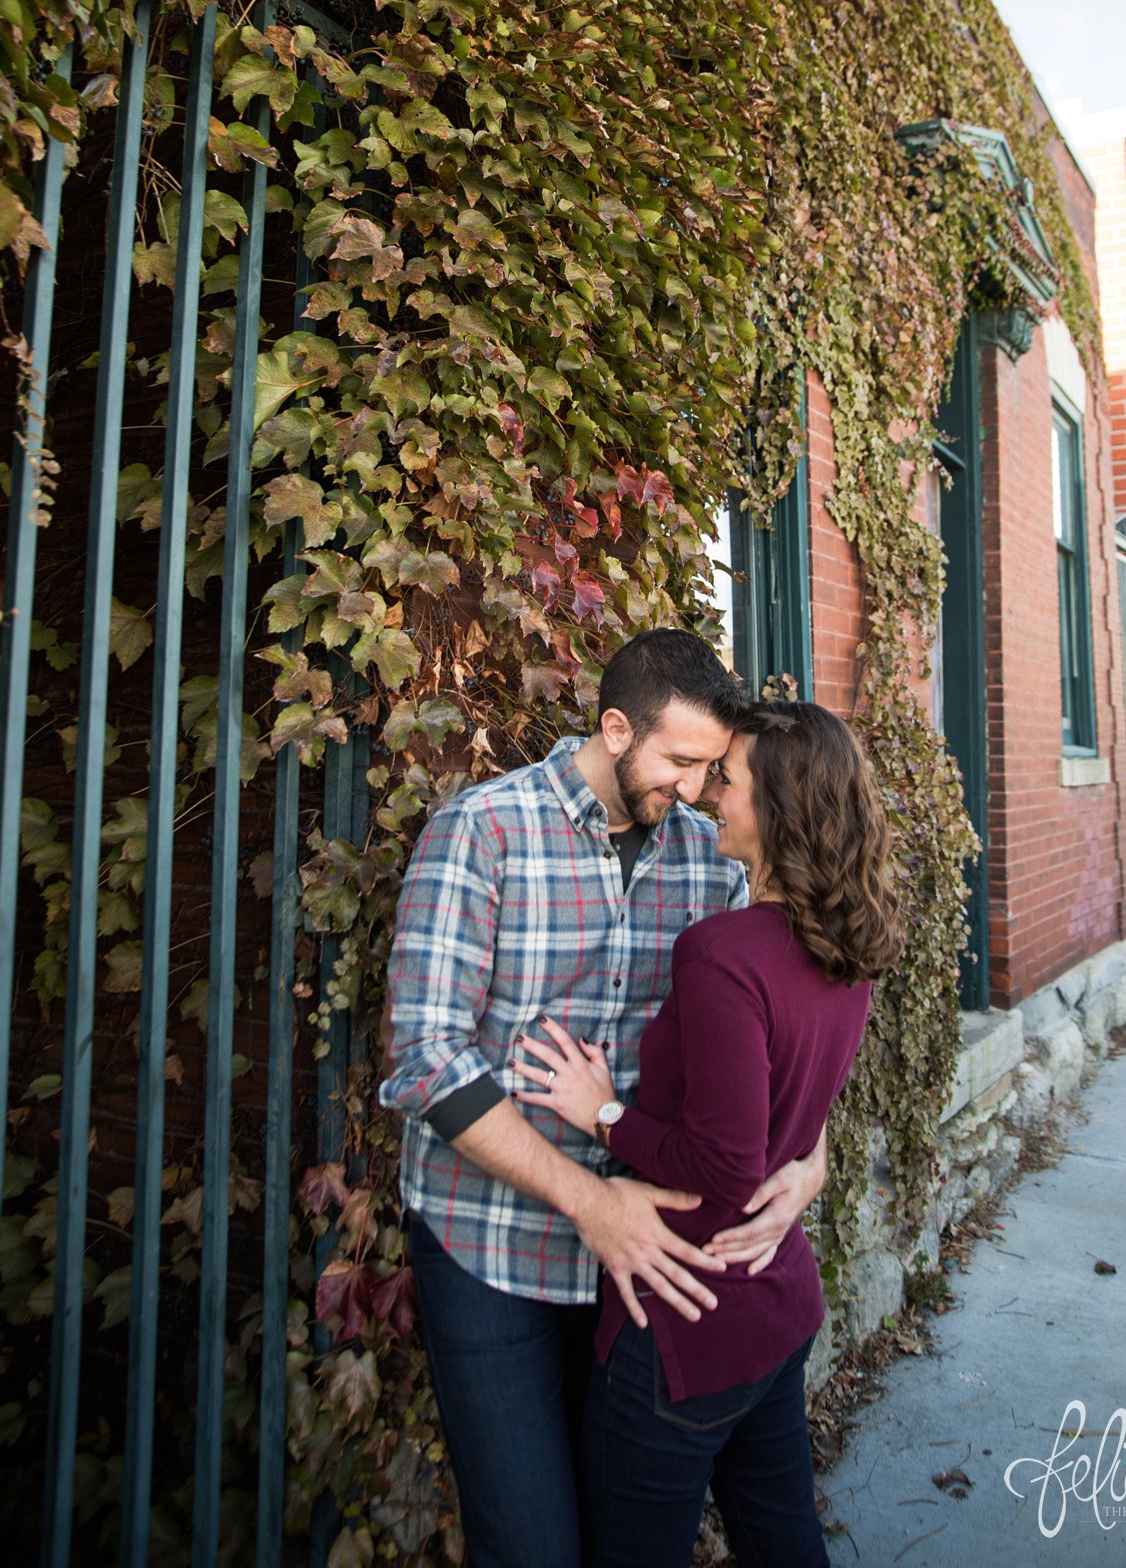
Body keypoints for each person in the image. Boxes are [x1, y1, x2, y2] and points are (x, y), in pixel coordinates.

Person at [379, 631, 829, 1568]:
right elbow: (425, 1059)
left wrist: (808, 1156)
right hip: (489, 1246)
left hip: (638, 1267)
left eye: (713, 769)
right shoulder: (483, 831)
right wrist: (590, 1202)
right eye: (679, 763)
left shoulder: (712, 861)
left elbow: (782, 1017)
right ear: (616, 729)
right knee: (532, 1543)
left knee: (618, 1533)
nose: (699, 791)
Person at [515, 701, 903, 1568]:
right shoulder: (843, 944)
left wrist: (604, 1114)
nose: (709, 795)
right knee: (782, 1537)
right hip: (774, 1300)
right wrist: (808, 1168)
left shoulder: (723, 952)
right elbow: (791, 1122)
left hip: (684, 1320)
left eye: (729, 780)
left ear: (779, 809)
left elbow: (721, 1168)